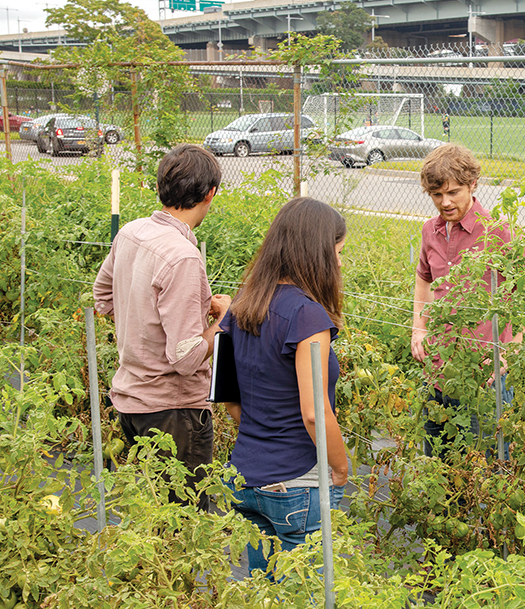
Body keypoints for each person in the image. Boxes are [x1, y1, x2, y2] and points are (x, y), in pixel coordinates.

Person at [93, 144, 228, 512]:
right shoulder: (182, 256)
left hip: (132, 402)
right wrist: (222, 320)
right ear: (209, 193)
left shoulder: (132, 233)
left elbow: (101, 297)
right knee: (185, 525)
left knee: (155, 516)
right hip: (175, 411)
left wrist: (146, 314)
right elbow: (185, 358)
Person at [219, 197, 349, 576]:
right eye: (337, 252)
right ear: (317, 253)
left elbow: (230, 401)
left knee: (265, 592)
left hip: (245, 476)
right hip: (296, 481)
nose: (339, 263)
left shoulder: (243, 305)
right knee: (308, 591)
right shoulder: (308, 315)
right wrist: (340, 468)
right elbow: (314, 413)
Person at [412, 144, 517, 459]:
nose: (444, 202)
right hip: (438, 373)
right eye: (436, 195)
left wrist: (507, 353)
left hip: (484, 377)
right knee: (437, 468)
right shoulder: (430, 231)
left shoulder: (497, 231)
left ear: (473, 185)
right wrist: (419, 328)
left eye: (453, 193)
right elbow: (424, 278)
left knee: (483, 471)